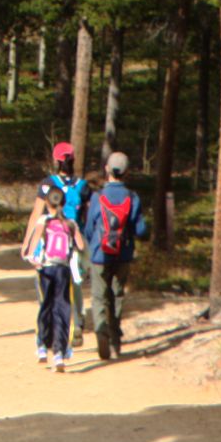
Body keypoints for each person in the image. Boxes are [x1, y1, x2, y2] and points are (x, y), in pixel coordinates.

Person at [80, 151, 149, 360]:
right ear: (126, 172)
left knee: (100, 296)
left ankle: (101, 332)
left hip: (100, 254)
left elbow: (89, 228)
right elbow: (140, 230)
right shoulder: (132, 197)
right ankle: (115, 340)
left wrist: (93, 245)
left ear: (107, 170)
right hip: (124, 253)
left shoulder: (98, 197)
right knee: (117, 295)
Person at [21, 142, 91, 344]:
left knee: (46, 281)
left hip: (50, 239)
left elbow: (36, 214)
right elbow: (87, 216)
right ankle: (77, 324)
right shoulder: (83, 185)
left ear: (56, 161)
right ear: (73, 159)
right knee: (75, 281)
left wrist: (27, 244)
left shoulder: (47, 184)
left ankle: (49, 324)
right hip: (73, 237)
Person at [27, 177, 86, 370]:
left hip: (45, 270)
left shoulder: (43, 222)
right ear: (62, 203)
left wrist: (30, 257)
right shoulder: (69, 224)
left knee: (46, 306)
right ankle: (60, 353)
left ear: (46, 202)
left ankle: (42, 346)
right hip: (63, 270)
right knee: (62, 309)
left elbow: (32, 249)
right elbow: (81, 245)